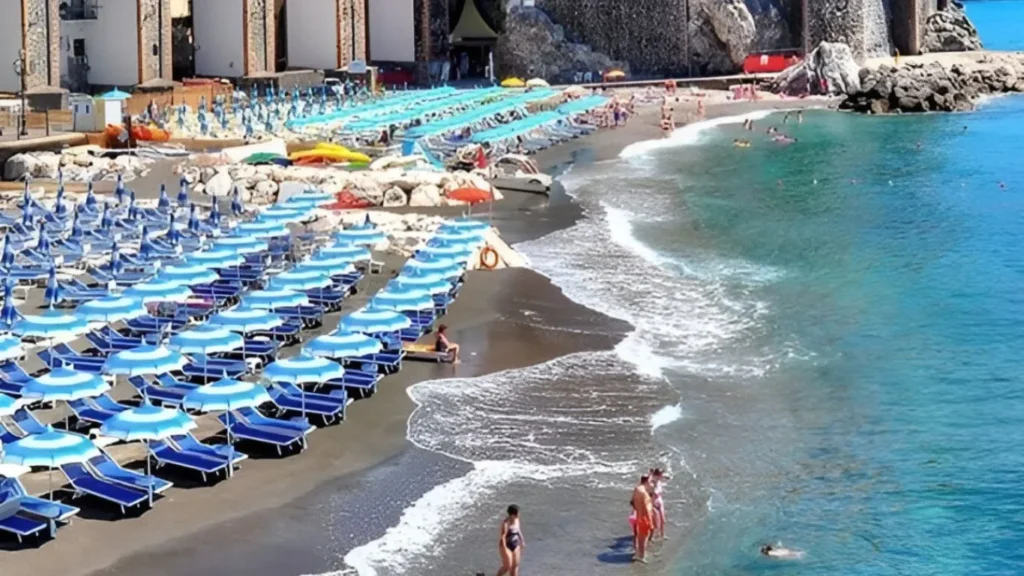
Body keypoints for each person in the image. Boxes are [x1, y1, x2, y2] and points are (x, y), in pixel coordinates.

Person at [631, 475, 654, 563]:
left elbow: (632, 502)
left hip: (638, 517)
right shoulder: (644, 493)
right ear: (646, 481)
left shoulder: (637, 489)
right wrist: (651, 523)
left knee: (639, 537)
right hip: (645, 518)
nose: (651, 483)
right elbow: (647, 509)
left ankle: (637, 553)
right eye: (650, 481)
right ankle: (642, 556)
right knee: (644, 538)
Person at [497, 505, 523, 576]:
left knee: (515, 565)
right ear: (514, 514)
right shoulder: (506, 523)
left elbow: (518, 531)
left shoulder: (517, 520)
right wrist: (505, 548)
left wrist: (522, 541)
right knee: (507, 566)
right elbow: (503, 536)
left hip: (516, 544)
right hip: (506, 545)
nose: (519, 514)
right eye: (518, 512)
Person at [651, 468, 669, 540]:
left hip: (659, 500)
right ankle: (652, 536)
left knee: (663, 519)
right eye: (660, 475)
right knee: (655, 522)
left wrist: (665, 477)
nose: (661, 476)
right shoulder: (652, 483)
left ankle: (662, 535)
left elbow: (665, 477)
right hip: (653, 502)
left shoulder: (659, 481)